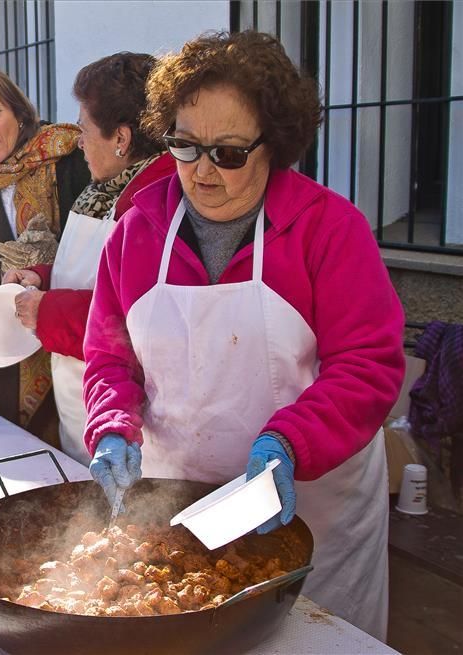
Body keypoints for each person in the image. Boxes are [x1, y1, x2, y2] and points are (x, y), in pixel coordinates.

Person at [82, 31, 404, 640]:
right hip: (178, 504)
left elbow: (369, 364)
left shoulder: (329, 230)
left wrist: (291, 442)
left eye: (227, 153)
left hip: (313, 510)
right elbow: (108, 357)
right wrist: (112, 425)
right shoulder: (135, 231)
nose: (201, 171)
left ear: (273, 146)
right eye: (184, 146)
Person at [3, 53, 175, 464]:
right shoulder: (103, 189)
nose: (79, 141)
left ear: (121, 137)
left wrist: (47, 311)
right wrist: (42, 276)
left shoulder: (153, 203)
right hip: (85, 406)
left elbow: (136, 319)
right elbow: (97, 272)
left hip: (130, 429)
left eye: (84, 128)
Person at [0, 66, 90, 432]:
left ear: (19, 114)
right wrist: (10, 266)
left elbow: (96, 252)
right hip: (6, 358)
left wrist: (46, 267)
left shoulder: (71, 158)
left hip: (78, 346)